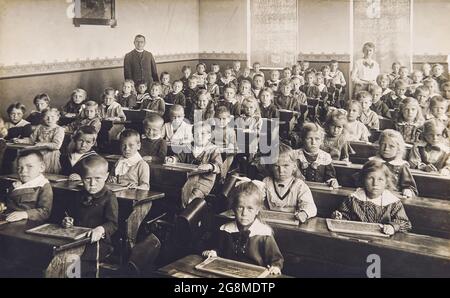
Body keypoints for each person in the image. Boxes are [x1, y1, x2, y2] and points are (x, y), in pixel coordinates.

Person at [202, 181, 283, 275]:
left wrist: (275, 266)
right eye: (240, 207)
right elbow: (220, 250)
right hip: (228, 273)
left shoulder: (264, 234)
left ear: (257, 210)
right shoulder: (225, 229)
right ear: (233, 208)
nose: (244, 213)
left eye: (250, 208)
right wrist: (213, 252)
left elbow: (276, 259)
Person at [332, 160, 412, 235]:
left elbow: (404, 223)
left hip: (383, 240)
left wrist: (392, 227)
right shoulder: (353, 198)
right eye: (370, 178)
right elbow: (345, 215)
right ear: (363, 180)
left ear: (386, 182)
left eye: (380, 179)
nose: (375, 183)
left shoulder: (393, 202)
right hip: (357, 236)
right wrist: (340, 217)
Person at [262, 143, 317, 222]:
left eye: (286, 165)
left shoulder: (299, 185)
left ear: (294, 166)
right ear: (271, 167)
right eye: (276, 166)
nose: (281, 171)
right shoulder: (266, 182)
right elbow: (256, 198)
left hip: (292, 222)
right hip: (271, 221)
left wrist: (304, 213)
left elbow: (310, 206)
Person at [4, 150, 53, 223]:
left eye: (29, 166)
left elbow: (45, 212)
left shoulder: (43, 185)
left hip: (27, 222)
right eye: (19, 168)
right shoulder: (17, 183)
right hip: (7, 219)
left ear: (41, 168)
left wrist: (25, 214)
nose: (23, 171)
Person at [13, 108, 65, 174]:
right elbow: (31, 140)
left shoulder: (59, 129)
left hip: (50, 156)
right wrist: (21, 140)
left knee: (45, 173)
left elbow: (56, 145)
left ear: (57, 118)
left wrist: (43, 144)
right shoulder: (39, 127)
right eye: (47, 117)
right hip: (38, 153)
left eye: (52, 117)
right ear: (43, 117)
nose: (49, 119)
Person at [370, 129, 417, 198]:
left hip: (393, 197)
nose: (386, 149)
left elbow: (409, 185)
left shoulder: (401, 165)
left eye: (391, 146)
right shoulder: (372, 162)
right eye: (383, 144)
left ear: (398, 149)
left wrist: (407, 189)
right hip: (373, 195)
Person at [293, 123, 339, 188]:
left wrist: (332, 181)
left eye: (317, 139)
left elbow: (330, 177)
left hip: (318, 189)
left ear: (321, 140)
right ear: (303, 139)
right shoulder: (295, 155)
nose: (313, 142)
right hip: (298, 189)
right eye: (309, 138)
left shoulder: (325, 157)